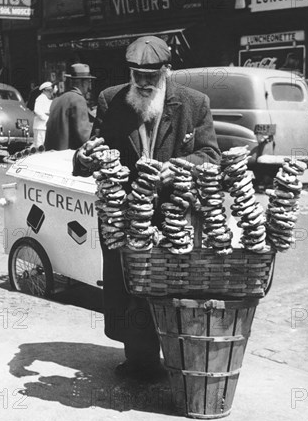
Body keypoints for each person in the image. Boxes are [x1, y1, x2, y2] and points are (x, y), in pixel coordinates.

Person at [74, 36, 221, 381]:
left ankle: (174, 355)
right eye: (136, 75)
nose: (142, 83)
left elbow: (211, 155)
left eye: (150, 77)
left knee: (169, 289)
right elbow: (94, 152)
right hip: (126, 216)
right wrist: (82, 158)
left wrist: (179, 167)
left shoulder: (194, 104)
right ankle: (138, 360)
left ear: (166, 72)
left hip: (173, 216)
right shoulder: (112, 100)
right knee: (130, 290)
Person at [44, 63, 95, 151]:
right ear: (82, 83)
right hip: (67, 158)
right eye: (88, 82)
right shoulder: (78, 99)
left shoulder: (57, 99)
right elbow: (85, 136)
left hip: (52, 156)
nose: (89, 87)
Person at [33, 81, 57, 149]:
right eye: (49, 91)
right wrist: (47, 119)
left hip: (44, 127)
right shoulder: (40, 98)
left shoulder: (47, 99)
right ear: (44, 91)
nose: (50, 93)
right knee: (39, 147)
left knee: (44, 147)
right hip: (40, 127)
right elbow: (37, 110)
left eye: (51, 91)